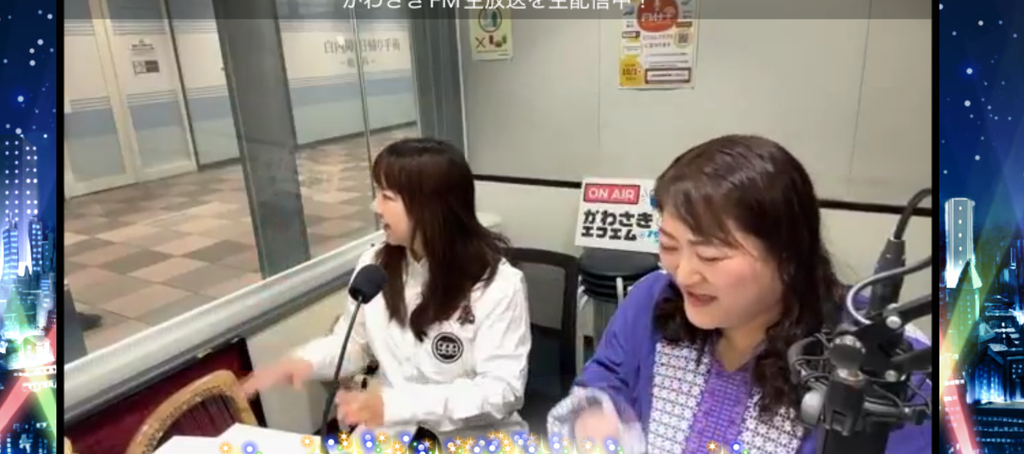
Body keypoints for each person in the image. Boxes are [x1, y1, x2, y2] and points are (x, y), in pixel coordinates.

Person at [547, 135, 931, 454]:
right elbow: (606, 377)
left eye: (711, 256)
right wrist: (596, 414)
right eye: (668, 245)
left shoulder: (880, 360)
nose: (684, 274)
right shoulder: (653, 298)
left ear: (787, 256)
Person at [243, 138, 531, 444]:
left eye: (387, 197)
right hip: (392, 432)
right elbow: (355, 346)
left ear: (429, 207)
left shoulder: (498, 285)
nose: (375, 207)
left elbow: (502, 392)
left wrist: (394, 405)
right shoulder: (375, 265)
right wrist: (303, 361)